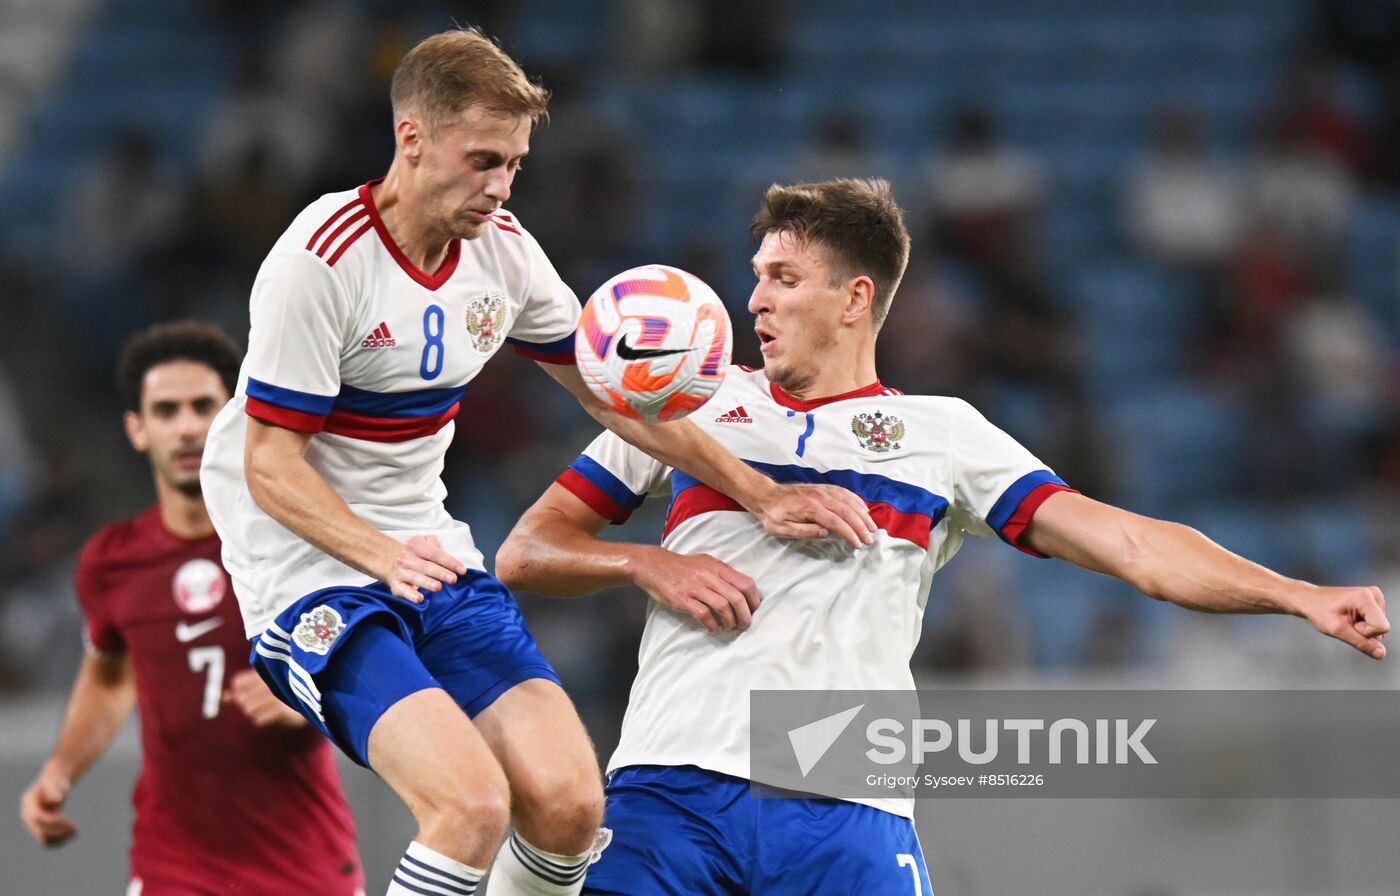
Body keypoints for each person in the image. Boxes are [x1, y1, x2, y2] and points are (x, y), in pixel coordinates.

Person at [493, 178, 1391, 895]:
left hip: (844, 799)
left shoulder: (944, 435)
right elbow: (527, 551)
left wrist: (1296, 593)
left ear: (856, 298)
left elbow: (1131, 546)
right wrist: (646, 560)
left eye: (783, 279)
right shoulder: (686, 404)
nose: (753, 300)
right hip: (671, 780)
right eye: (757, 273)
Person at [198, 28, 875, 896]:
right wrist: (382, 556)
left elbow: (609, 397)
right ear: (411, 139)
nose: (501, 185)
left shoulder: (504, 250)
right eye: (483, 159)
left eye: (514, 163)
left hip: (427, 553)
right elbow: (270, 468)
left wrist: (760, 491)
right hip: (309, 572)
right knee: (471, 806)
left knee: (568, 806)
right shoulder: (321, 261)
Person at [18, 321, 364, 896]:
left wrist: (309, 697)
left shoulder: (299, 544)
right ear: (136, 428)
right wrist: (59, 771)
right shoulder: (111, 563)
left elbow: (381, 664)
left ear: (234, 417)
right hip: (172, 868)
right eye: (166, 410)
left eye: (203, 406)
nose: (186, 428)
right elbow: (107, 681)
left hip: (306, 865)